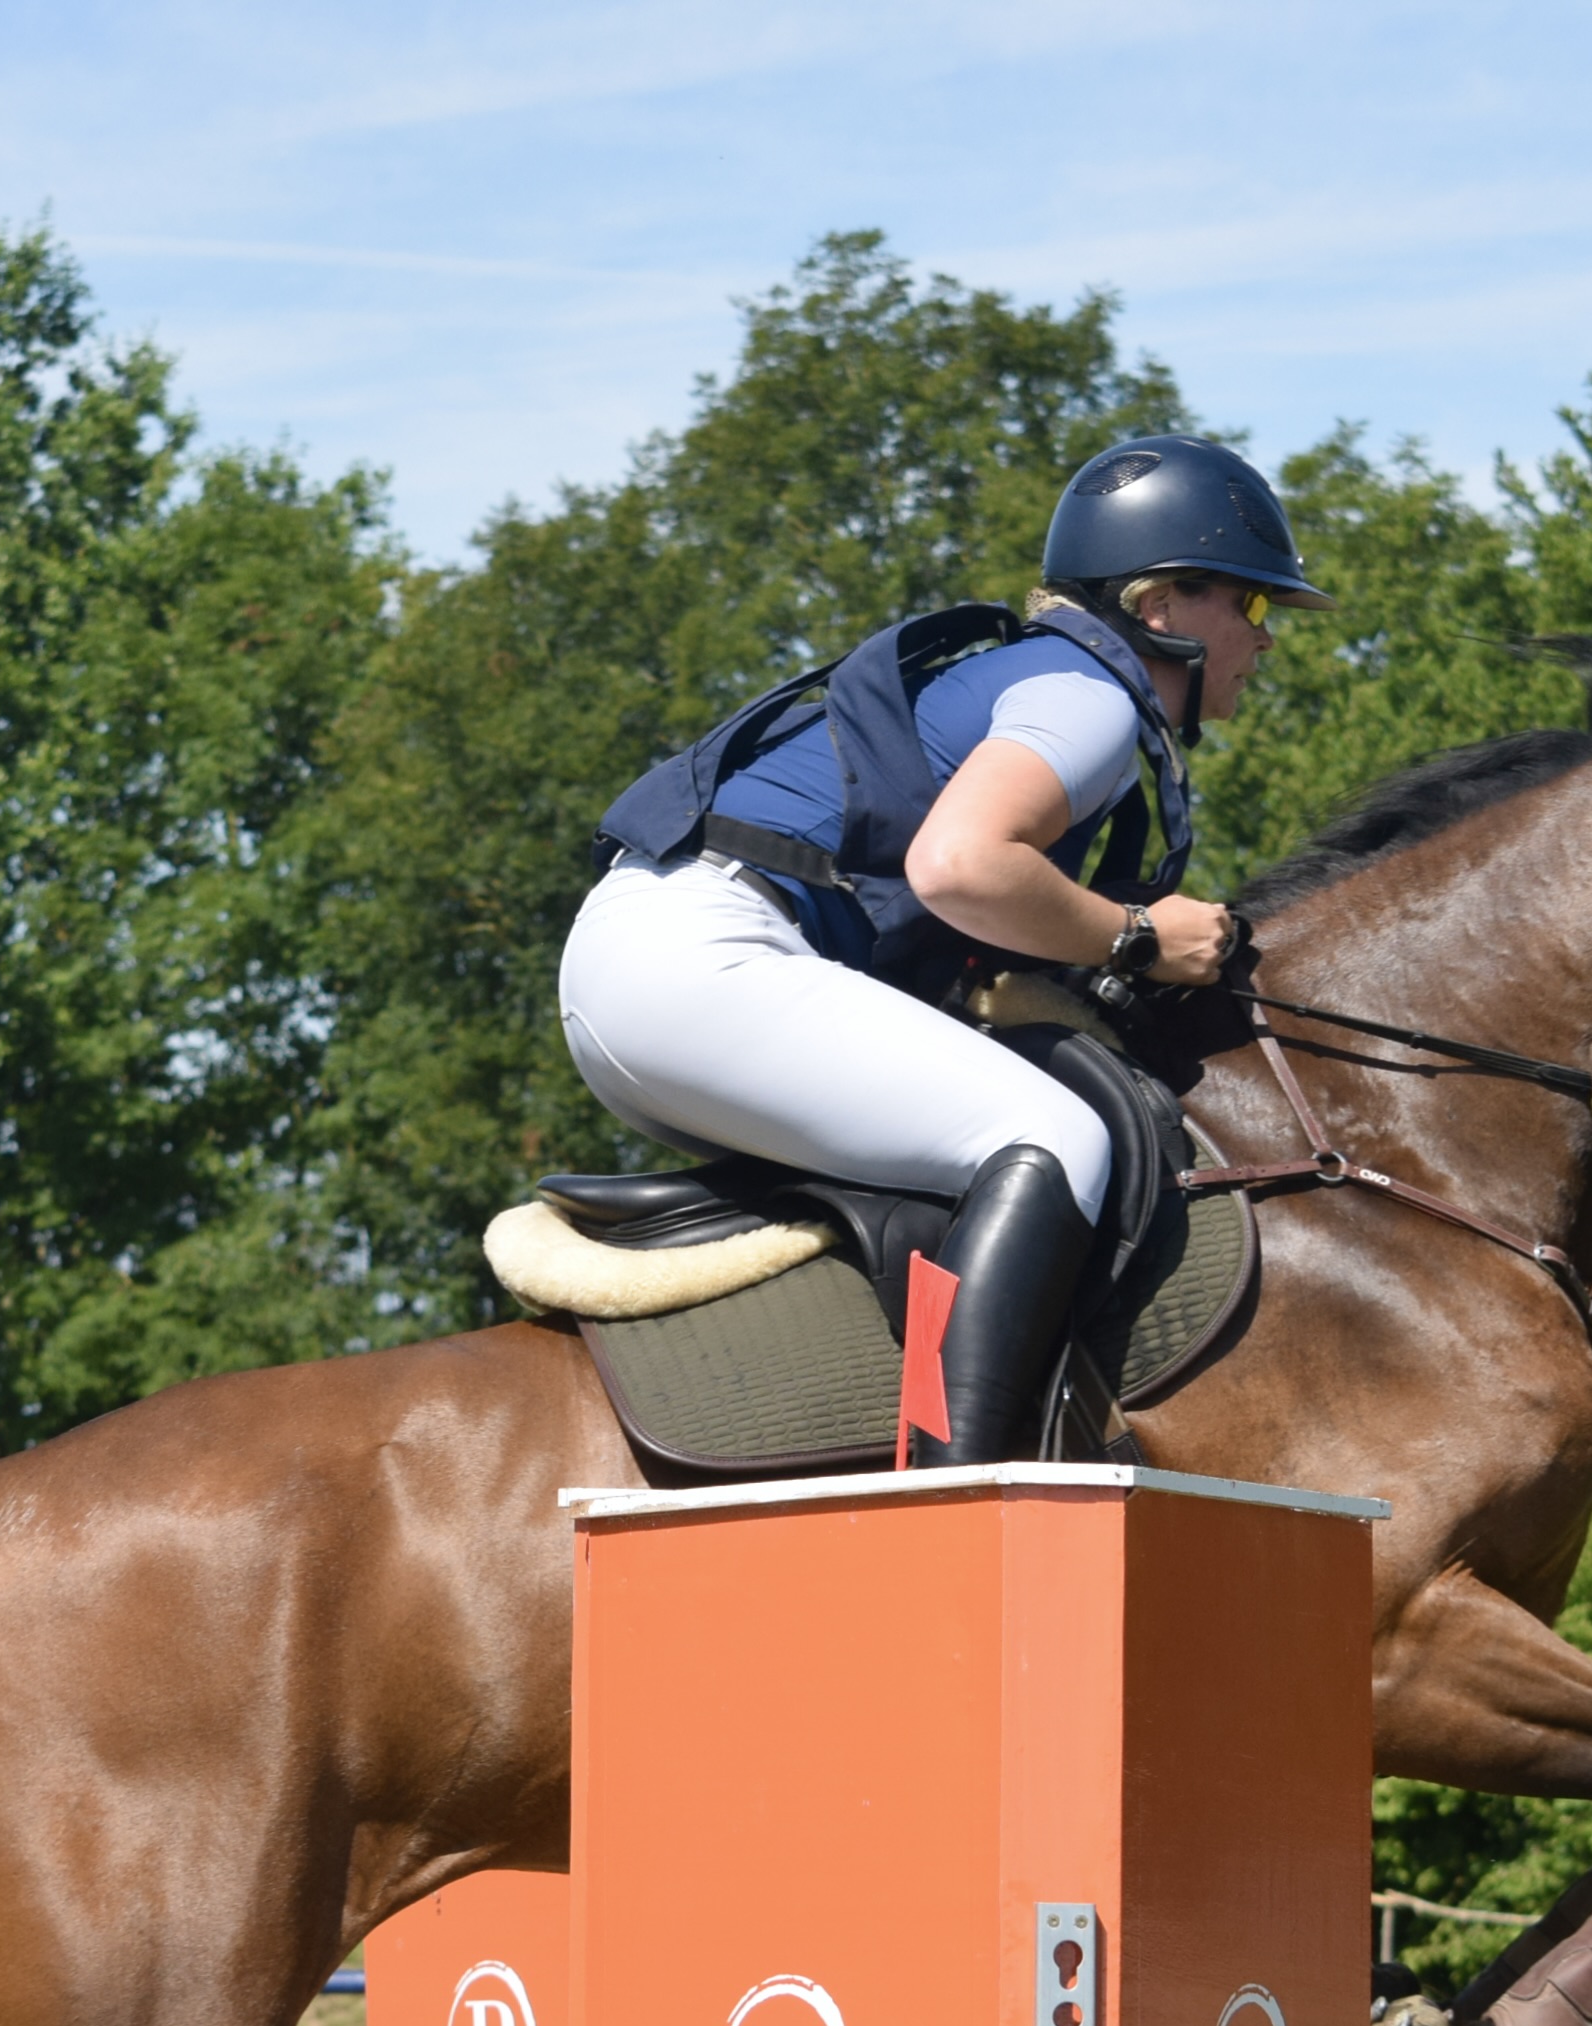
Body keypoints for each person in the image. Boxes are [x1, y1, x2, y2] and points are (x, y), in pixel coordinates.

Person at [564, 433, 1329, 1464]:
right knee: (1052, 1138)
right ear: (1159, 607)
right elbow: (961, 868)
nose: (1265, 640)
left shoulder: (1037, 678)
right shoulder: (1091, 698)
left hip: (661, 961)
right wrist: (1140, 936)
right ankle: (956, 1491)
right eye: (1255, 604)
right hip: (707, 957)